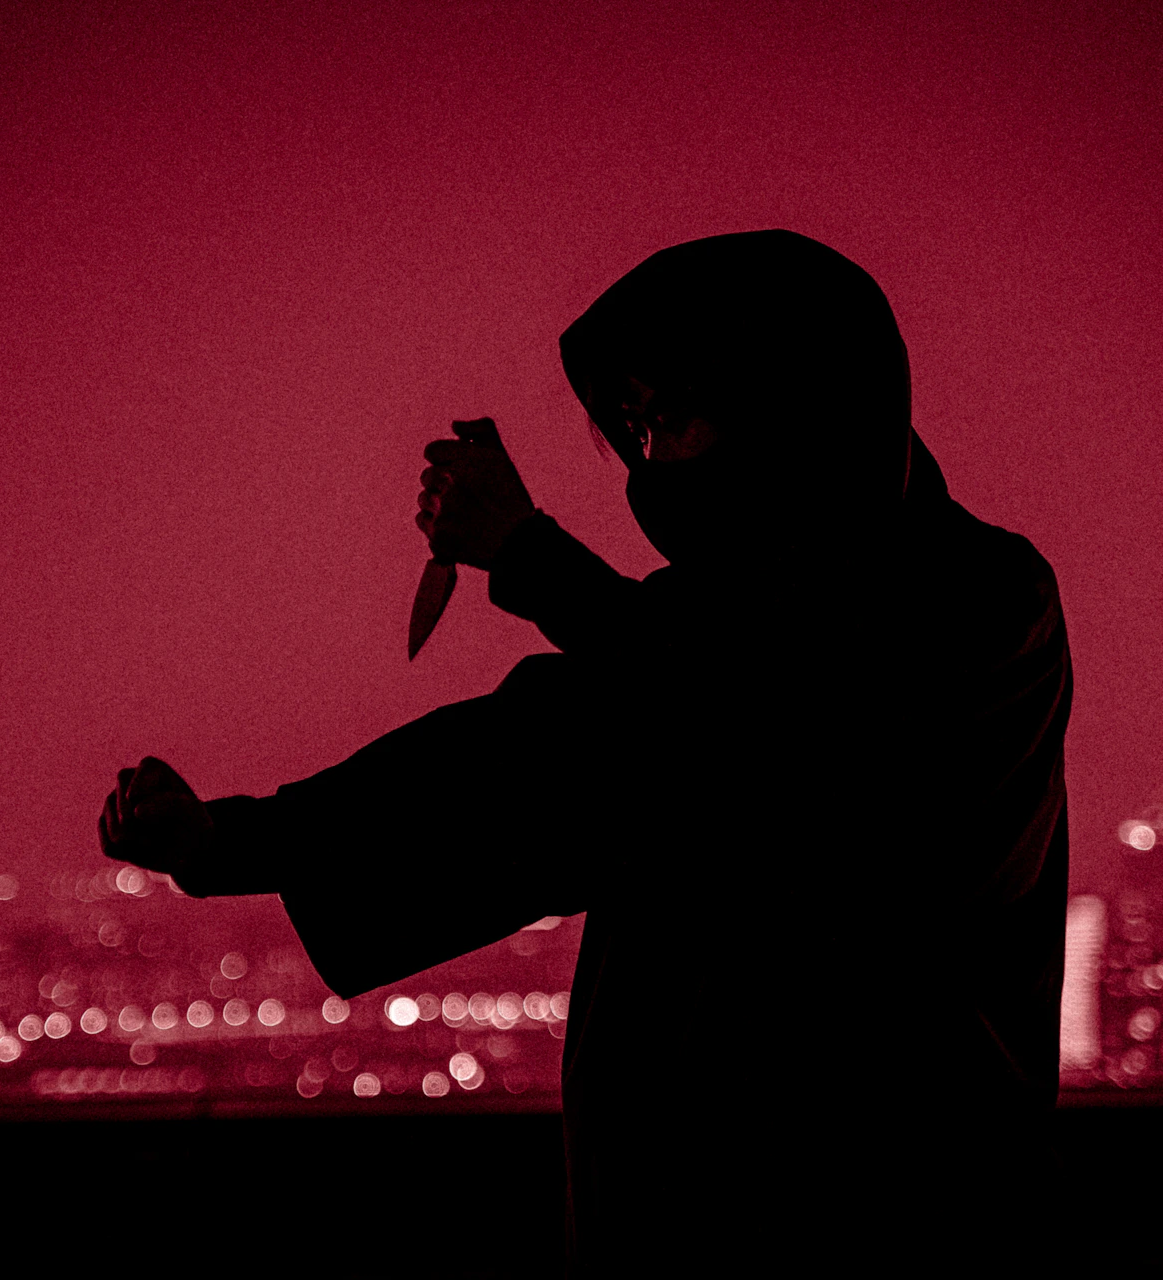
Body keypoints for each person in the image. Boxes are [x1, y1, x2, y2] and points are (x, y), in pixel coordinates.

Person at [99, 229, 1073, 1270]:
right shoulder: (699, 634)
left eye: (677, 416)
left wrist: (531, 557)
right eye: (638, 425)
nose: (654, 460)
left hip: (892, 1243)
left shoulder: (982, 605)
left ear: (793, 406)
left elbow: (781, 732)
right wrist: (227, 839)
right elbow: (503, 764)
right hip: (675, 1248)